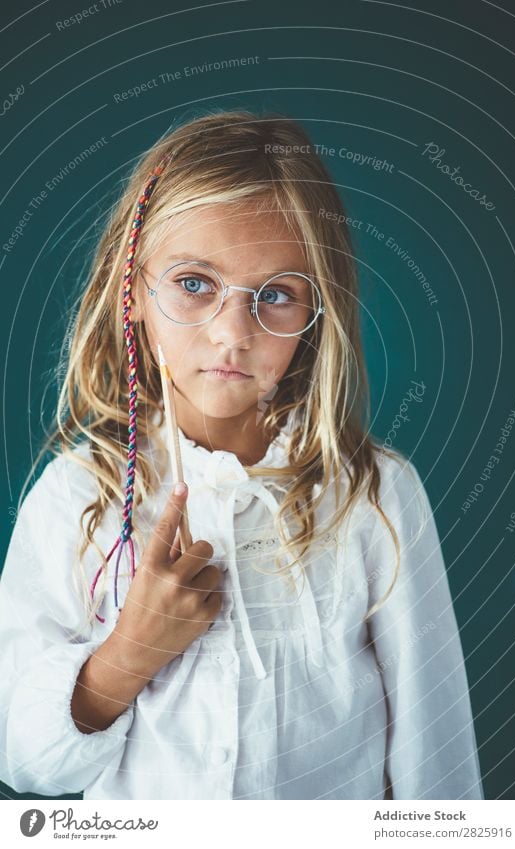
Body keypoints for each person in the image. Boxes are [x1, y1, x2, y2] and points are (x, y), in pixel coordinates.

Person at [0, 109, 484, 800]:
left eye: (276, 295)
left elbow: (435, 754)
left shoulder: (375, 495)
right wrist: (124, 657)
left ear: (316, 310)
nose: (233, 334)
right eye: (195, 282)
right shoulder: (77, 495)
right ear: (133, 289)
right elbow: (25, 760)